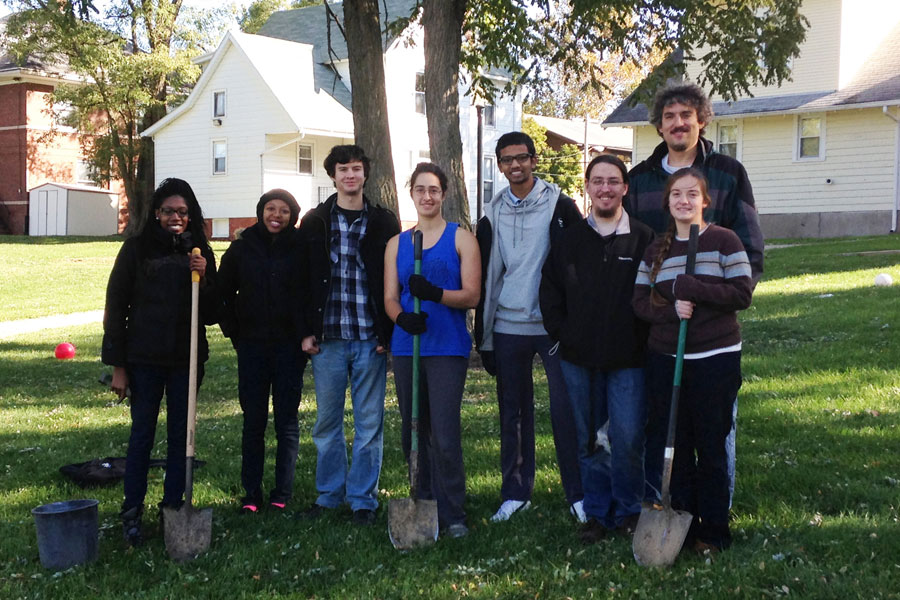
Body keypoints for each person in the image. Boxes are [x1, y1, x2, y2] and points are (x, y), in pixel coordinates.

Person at [626, 81, 763, 504]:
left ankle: (715, 511)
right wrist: (656, 312)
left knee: (714, 425)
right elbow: (635, 257)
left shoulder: (727, 173)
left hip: (713, 333)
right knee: (667, 422)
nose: (678, 123)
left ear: (701, 120)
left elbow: (749, 252)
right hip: (660, 328)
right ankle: (670, 504)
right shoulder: (639, 180)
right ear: (659, 126)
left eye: (687, 114)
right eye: (669, 116)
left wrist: (715, 306)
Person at [632, 168, 753, 553]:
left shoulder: (723, 240)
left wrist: (693, 289)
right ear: (667, 202)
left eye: (692, 194)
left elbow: (741, 293)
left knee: (711, 446)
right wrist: (673, 307)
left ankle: (713, 531)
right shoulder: (656, 250)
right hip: (667, 357)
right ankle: (680, 525)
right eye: (676, 195)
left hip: (715, 358)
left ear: (705, 200)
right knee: (676, 445)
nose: (684, 200)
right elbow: (639, 302)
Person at [539, 155, 655, 543]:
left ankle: (629, 511)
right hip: (579, 359)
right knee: (589, 440)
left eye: (613, 181)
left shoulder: (643, 238)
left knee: (626, 439)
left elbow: (656, 296)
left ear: (625, 187)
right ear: (587, 187)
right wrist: (563, 335)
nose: (605, 188)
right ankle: (597, 514)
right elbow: (550, 292)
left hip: (630, 361)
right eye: (598, 181)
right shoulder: (570, 240)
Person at [474, 131, 584, 523]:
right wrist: (484, 335)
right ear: (500, 165)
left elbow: (578, 268)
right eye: (507, 160)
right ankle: (516, 492)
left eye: (522, 158)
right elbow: (487, 277)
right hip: (508, 325)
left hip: (552, 327)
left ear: (535, 161)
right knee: (513, 413)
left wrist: (575, 323)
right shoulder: (492, 213)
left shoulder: (561, 206)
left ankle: (579, 493)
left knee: (566, 410)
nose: (515, 165)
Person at [101, 178, 217, 547]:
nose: (175, 218)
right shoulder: (136, 250)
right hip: (144, 359)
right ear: (156, 213)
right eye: (168, 211)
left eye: (183, 212)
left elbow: (211, 312)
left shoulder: (199, 252)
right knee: (142, 435)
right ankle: (132, 512)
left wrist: (205, 273)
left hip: (186, 358)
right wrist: (119, 365)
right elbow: (116, 307)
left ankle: (173, 506)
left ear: (191, 215)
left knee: (182, 437)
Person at [297, 144, 400, 525]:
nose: (350, 175)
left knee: (369, 423)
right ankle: (328, 495)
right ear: (333, 176)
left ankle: (362, 500)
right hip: (328, 339)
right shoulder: (315, 221)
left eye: (356, 168)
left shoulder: (385, 222)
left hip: (369, 336)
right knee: (327, 423)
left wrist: (387, 333)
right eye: (343, 169)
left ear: (366, 174)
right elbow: (302, 281)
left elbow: (395, 279)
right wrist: (305, 331)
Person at [384, 162, 481, 539]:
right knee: (413, 430)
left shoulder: (461, 238)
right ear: (412, 194)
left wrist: (436, 294)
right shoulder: (397, 244)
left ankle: (452, 510)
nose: (427, 196)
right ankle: (421, 500)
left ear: (444, 194)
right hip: (409, 346)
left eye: (434, 190)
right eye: (420, 189)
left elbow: (472, 295)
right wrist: (401, 318)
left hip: (446, 347)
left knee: (443, 431)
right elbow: (391, 297)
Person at [218, 189, 307, 513]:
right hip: (252, 346)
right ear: (261, 211)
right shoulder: (242, 247)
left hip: (289, 348)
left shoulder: (300, 247)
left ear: (292, 215)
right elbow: (220, 292)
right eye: (271, 208)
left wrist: (305, 334)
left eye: (284, 210)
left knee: (286, 420)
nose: (277, 215)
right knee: (253, 420)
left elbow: (310, 293)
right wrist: (234, 332)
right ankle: (251, 494)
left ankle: (282, 491)